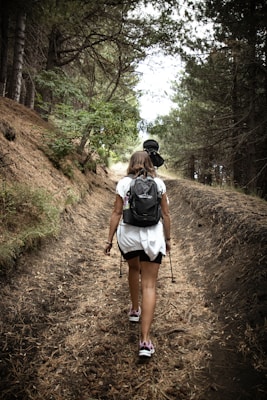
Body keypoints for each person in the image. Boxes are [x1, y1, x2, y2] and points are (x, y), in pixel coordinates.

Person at [104, 151, 171, 357]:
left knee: (134, 268)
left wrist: (109, 240)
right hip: (152, 237)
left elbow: (116, 212)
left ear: (131, 163)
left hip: (129, 236)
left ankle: (134, 310)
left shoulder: (123, 183)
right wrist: (167, 240)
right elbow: (166, 215)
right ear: (150, 164)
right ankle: (145, 341)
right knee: (149, 284)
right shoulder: (158, 184)